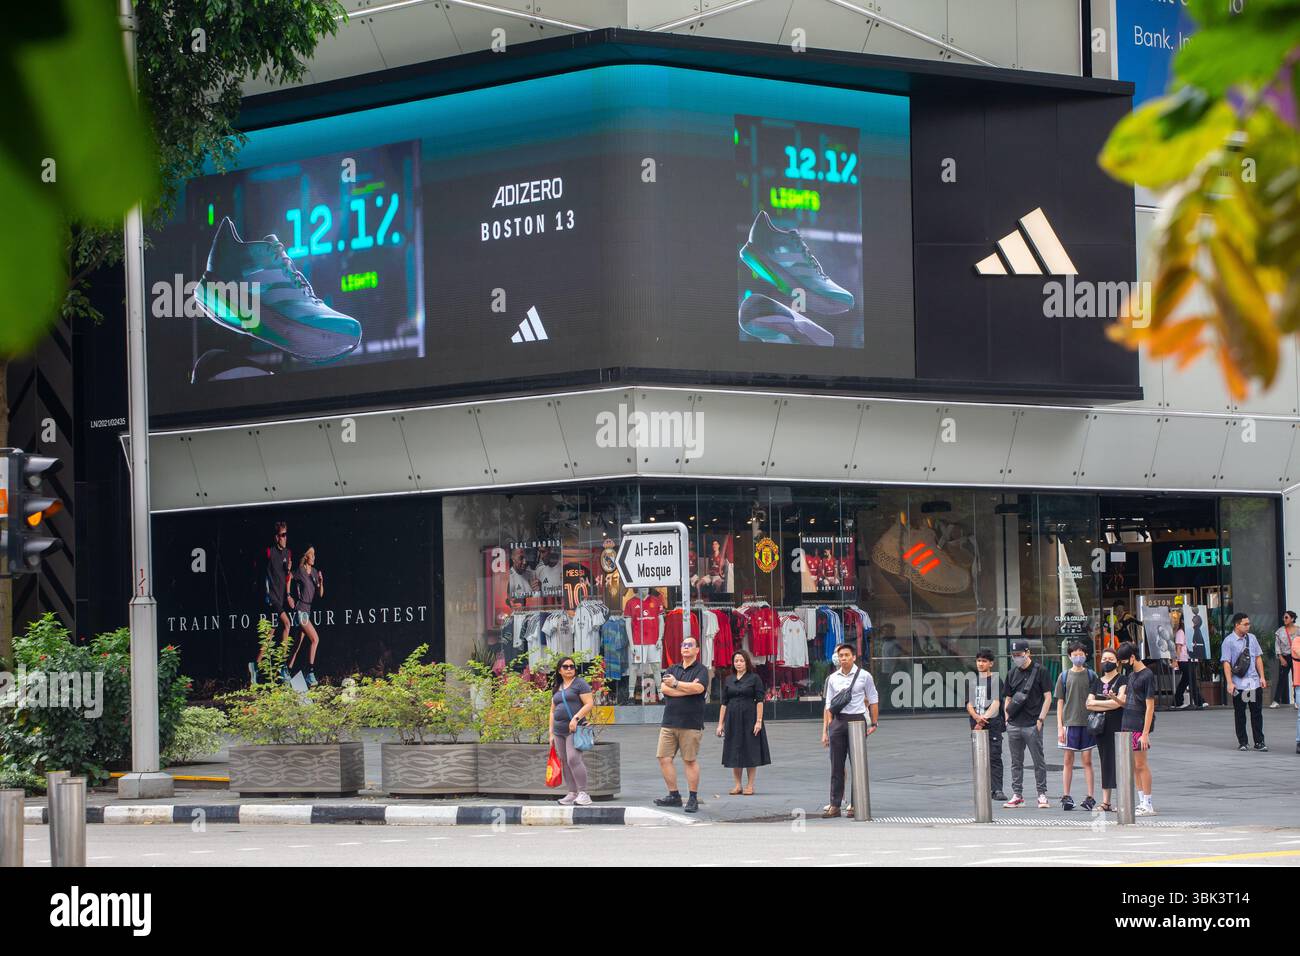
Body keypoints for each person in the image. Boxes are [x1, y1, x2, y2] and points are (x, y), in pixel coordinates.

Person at [820, 642, 879, 818]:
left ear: (854, 657)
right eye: (841, 655)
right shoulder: (832, 678)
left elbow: (873, 698)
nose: (843, 658)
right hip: (838, 721)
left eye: (846, 655)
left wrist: (874, 722)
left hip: (857, 721)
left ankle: (855, 804)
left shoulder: (864, 676)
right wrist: (829, 726)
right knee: (836, 764)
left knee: (857, 764)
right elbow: (828, 704)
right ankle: (835, 804)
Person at [654, 634, 709, 813]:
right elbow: (663, 688)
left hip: (691, 722)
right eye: (683, 644)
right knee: (663, 758)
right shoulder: (673, 668)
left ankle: (692, 797)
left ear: (697, 650)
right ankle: (674, 795)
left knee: (689, 760)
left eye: (690, 645)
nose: (686, 647)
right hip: (669, 721)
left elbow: (699, 688)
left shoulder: (701, 670)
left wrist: (676, 685)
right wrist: (686, 689)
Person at [1002, 639, 1053, 809]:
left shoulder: (1041, 671)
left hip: (1033, 723)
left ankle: (1042, 794)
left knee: (1038, 761)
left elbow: (1048, 697)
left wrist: (1041, 719)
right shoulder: (1011, 673)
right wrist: (1006, 718)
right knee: (1016, 762)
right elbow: (1008, 697)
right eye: (1014, 655)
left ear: (1028, 653)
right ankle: (1017, 795)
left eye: (1020, 654)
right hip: (1014, 724)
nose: (1017, 658)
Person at [715, 649, 771, 795]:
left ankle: (750, 785)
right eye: (736, 661)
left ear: (747, 662)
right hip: (732, 719)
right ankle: (737, 785)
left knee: (750, 750)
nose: (738, 663)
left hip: (750, 717)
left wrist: (758, 721)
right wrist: (720, 724)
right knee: (734, 750)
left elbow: (759, 701)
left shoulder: (754, 678)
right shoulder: (728, 679)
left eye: (741, 661)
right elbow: (724, 703)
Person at [1054, 640, 1096, 811]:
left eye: (1081, 653)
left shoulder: (1092, 675)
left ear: (1086, 655)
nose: (1078, 656)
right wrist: (1059, 726)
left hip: (1088, 722)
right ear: (1069, 656)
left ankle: (1090, 796)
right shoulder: (1063, 676)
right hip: (1069, 723)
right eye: (1075, 654)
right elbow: (1060, 702)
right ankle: (1066, 795)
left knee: (1087, 760)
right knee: (1067, 760)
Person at [548, 656, 594, 806]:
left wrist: (575, 718)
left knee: (573, 759)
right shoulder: (558, 686)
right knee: (565, 761)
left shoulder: (579, 684)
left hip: (574, 729)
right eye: (566, 667)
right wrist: (550, 732)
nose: (569, 669)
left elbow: (589, 704)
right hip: (558, 730)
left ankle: (583, 793)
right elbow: (552, 711)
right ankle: (572, 793)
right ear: (559, 670)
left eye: (572, 666)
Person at [1117, 641, 1156, 815]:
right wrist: (1115, 698)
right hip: (1127, 723)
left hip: (1139, 725)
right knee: (1134, 765)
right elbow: (1128, 701)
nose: (1123, 664)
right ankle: (1141, 802)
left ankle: (1148, 802)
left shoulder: (1147, 675)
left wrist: (1145, 733)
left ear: (1132, 657)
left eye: (1125, 660)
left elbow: (1150, 706)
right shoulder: (1132, 676)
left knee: (1141, 764)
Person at [1086, 648, 1127, 812]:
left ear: (1117, 662)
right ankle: (1106, 801)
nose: (1106, 662)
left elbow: (1119, 702)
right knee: (1105, 761)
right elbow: (1088, 704)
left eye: (1110, 659)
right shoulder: (1096, 681)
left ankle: (1122, 800)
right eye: (1104, 659)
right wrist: (1108, 704)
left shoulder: (1122, 679)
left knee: (1120, 762)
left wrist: (1098, 704)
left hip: (1118, 725)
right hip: (1101, 727)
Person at [1221, 612, 1267, 751]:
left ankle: (1259, 741)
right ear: (1237, 625)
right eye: (1245, 624)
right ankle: (1243, 741)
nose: (1248, 626)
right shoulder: (1229, 641)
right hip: (1240, 684)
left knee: (1256, 712)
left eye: (1249, 624)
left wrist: (1262, 677)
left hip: (1253, 683)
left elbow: (1258, 658)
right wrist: (1230, 682)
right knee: (1240, 713)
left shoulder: (1252, 638)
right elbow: (1226, 662)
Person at [966, 648, 1006, 802]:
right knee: (978, 758)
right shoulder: (972, 681)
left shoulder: (996, 680)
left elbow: (996, 703)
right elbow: (969, 704)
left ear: (991, 663)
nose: (980, 664)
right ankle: (982, 788)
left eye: (984, 661)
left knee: (994, 757)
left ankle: (997, 789)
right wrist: (976, 717)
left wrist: (983, 719)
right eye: (978, 661)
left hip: (993, 725)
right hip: (976, 726)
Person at [258, 520, 293, 685]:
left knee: (271, 632)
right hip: (272, 597)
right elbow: (260, 571)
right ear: (276, 537)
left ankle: (256, 665)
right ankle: (282, 665)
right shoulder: (269, 552)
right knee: (287, 624)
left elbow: (286, 577)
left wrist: (288, 593)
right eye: (282, 535)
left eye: (286, 535)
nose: (285, 538)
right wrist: (266, 593)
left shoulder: (288, 553)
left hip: (280, 597)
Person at [286, 546, 324, 686]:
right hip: (300, 610)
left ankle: (287, 671)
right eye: (312, 555)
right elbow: (288, 577)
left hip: (307, 610)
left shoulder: (314, 572)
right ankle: (310, 672)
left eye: (314, 555)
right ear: (306, 557)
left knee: (297, 644)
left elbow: (320, 594)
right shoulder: (300, 571)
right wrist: (289, 595)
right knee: (315, 639)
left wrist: (321, 582)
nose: (314, 557)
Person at [1171, 608, 1196, 709]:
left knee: (1185, 681)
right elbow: (1178, 647)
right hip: (1183, 659)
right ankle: (1199, 701)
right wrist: (1175, 660)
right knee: (1191, 679)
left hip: (1191, 658)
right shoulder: (1181, 632)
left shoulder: (1190, 631)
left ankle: (1177, 701)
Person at [1272, 610, 1297, 708]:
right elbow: (1277, 645)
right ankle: (1276, 701)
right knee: (1282, 679)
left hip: (1296, 658)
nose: (1284, 619)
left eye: (1286, 617)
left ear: (1292, 619)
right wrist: (1281, 657)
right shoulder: (1280, 631)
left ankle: (1297, 701)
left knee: (1296, 680)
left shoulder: (1298, 630)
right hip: (1285, 657)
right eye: (1284, 617)